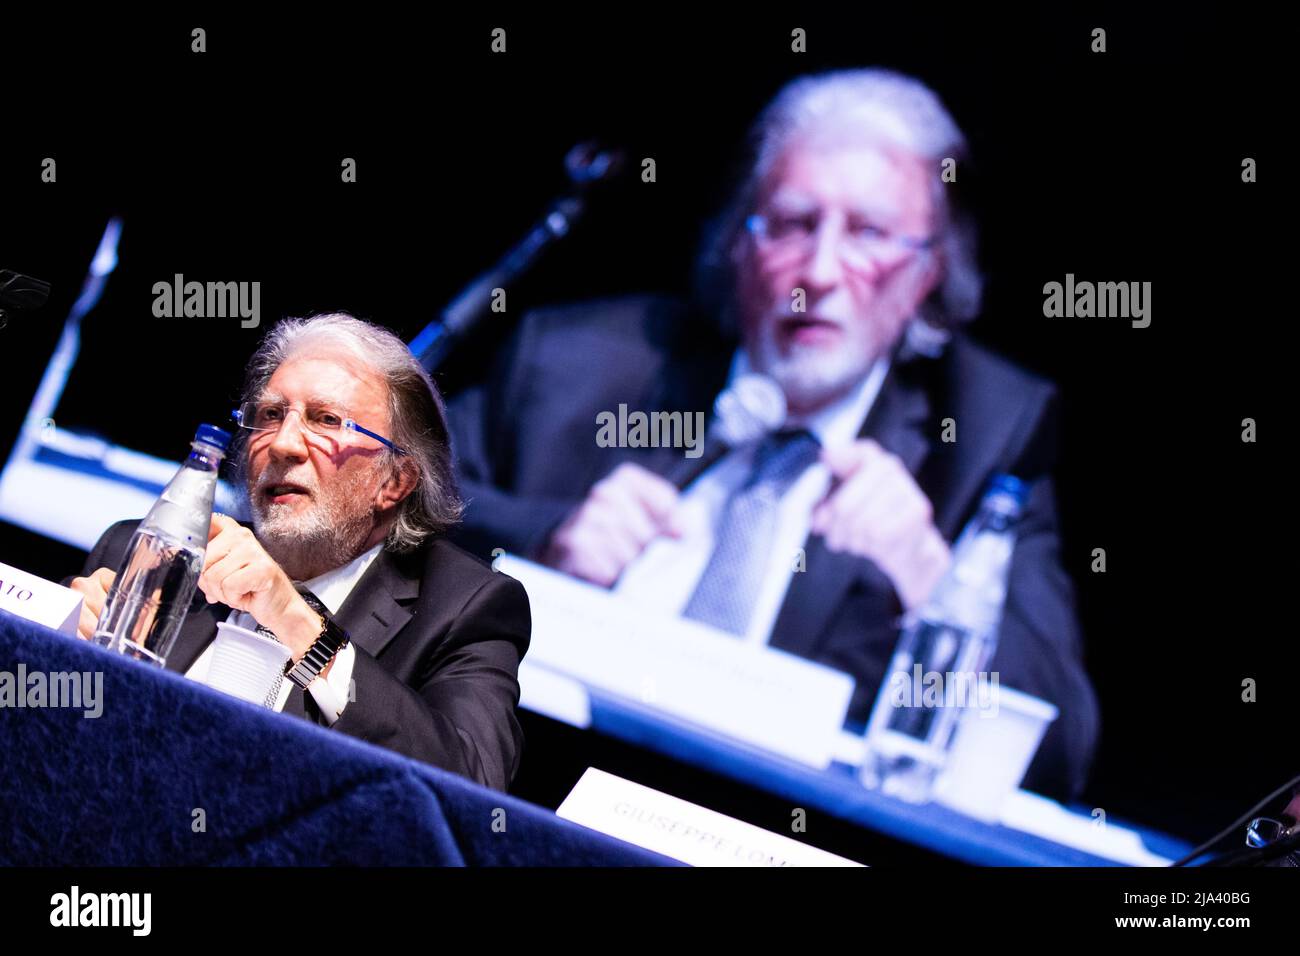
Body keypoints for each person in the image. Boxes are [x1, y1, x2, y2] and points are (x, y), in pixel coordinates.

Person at [447, 68, 1098, 800]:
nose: (817, 272)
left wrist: (932, 585)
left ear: (928, 274)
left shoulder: (985, 439)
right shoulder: (576, 364)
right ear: (738, 245)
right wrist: (540, 544)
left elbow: (1060, 752)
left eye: (870, 234)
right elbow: (375, 517)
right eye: (791, 224)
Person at [68, 313, 531, 792]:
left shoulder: (465, 609)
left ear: (395, 482)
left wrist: (295, 619)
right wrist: (60, 637)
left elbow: (471, 784)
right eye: (270, 415)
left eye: (326, 420)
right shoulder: (144, 551)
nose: (284, 444)